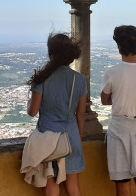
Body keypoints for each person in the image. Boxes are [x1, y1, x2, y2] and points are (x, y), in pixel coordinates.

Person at [27, 33, 87, 196]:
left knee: (51, 185)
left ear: (51, 53)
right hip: (72, 137)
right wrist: (78, 138)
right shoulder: (79, 79)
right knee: (73, 187)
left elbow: (32, 112)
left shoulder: (42, 79)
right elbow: (81, 114)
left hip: (49, 139)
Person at [101, 25, 136, 196]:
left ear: (119, 46)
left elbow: (105, 100)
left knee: (123, 182)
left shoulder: (113, 72)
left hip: (120, 128)